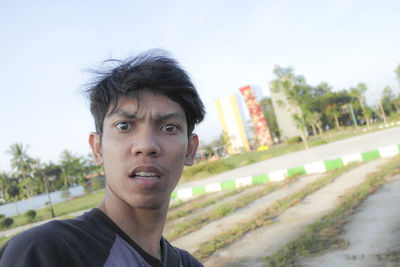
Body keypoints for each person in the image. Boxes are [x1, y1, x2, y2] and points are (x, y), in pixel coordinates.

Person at [0, 49, 205, 266]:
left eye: (169, 127)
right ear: (97, 148)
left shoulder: (188, 264)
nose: (146, 145)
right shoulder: (44, 253)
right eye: (124, 126)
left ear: (190, 150)